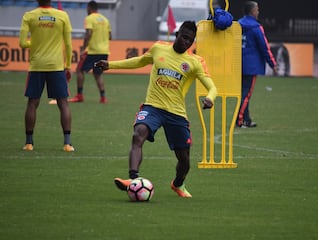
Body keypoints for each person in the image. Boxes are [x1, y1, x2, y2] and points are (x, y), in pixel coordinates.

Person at [95, 21, 217, 198]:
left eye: (190, 41)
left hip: (176, 113)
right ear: (176, 35)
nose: (186, 42)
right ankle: (133, 179)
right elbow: (139, 61)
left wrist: (210, 98)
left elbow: (212, 87)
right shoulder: (159, 48)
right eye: (184, 37)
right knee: (138, 134)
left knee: (184, 160)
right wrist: (111, 65)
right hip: (153, 107)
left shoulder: (195, 62)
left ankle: (178, 184)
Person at [19, 0, 74, 152]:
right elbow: (68, 44)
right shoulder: (62, 15)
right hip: (56, 66)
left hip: (36, 65)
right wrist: (68, 65)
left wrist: (35, 42)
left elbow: (23, 43)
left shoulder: (29, 16)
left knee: (32, 103)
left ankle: (29, 143)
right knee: (63, 103)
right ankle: (67, 143)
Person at [235, 1, 277, 128]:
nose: (258, 12)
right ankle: (240, 120)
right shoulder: (256, 27)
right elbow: (264, 47)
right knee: (246, 94)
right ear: (253, 11)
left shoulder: (236, 26)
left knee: (242, 93)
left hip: (237, 64)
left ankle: (246, 119)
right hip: (251, 66)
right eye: (257, 9)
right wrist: (273, 63)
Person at [68, 0, 112, 104]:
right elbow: (110, 36)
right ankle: (103, 97)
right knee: (98, 74)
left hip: (92, 51)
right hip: (104, 51)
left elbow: (89, 33)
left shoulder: (89, 18)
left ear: (89, 8)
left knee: (79, 70)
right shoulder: (105, 20)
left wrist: (83, 47)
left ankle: (79, 95)